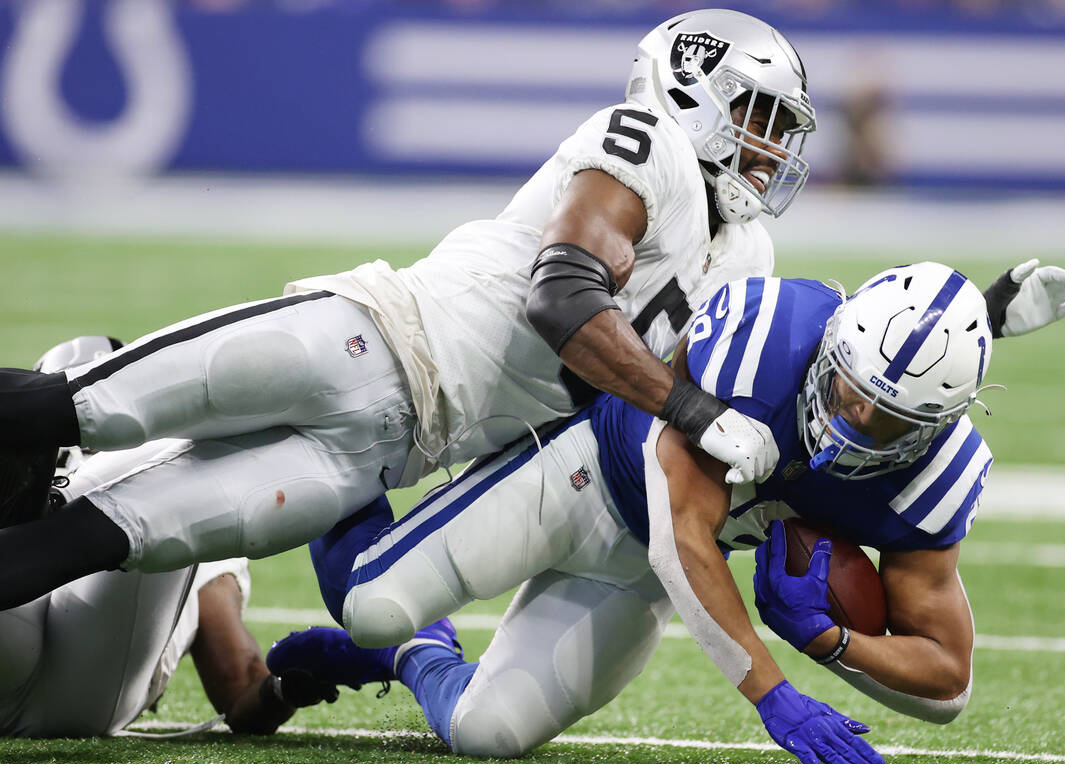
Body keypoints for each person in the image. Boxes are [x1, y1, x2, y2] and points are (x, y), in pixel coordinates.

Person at [0, 8, 825, 610]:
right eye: (760, 117)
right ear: (693, 87)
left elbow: (639, 421)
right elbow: (563, 299)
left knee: (100, 537)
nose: (772, 147)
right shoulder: (649, 144)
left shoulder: (746, 254)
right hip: (366, 339)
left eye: (783, 129)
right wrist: (694, 409)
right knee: (77, 410)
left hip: (386, 460)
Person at [266, 260, 1065, 764]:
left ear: (937, 425)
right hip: (587, 475)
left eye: (889, 423)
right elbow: (680, 534)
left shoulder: (932, 474)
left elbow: (947, 684)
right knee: (371, 598)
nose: (853, 426)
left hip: (638, 581)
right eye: (846, 394)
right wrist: (771, 692)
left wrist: (833, 641)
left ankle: (418, 654)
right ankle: (320, 447)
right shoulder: (767, 338)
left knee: (486, 733)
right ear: (831, 347)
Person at [1, 338, 333, 738]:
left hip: (57, 680)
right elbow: (237, 682)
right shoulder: (185, 476)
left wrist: (284, 689)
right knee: (185, 476)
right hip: (74, 694)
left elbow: (240, 685)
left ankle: (52, 503)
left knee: (165, 495)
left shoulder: (172, 480)